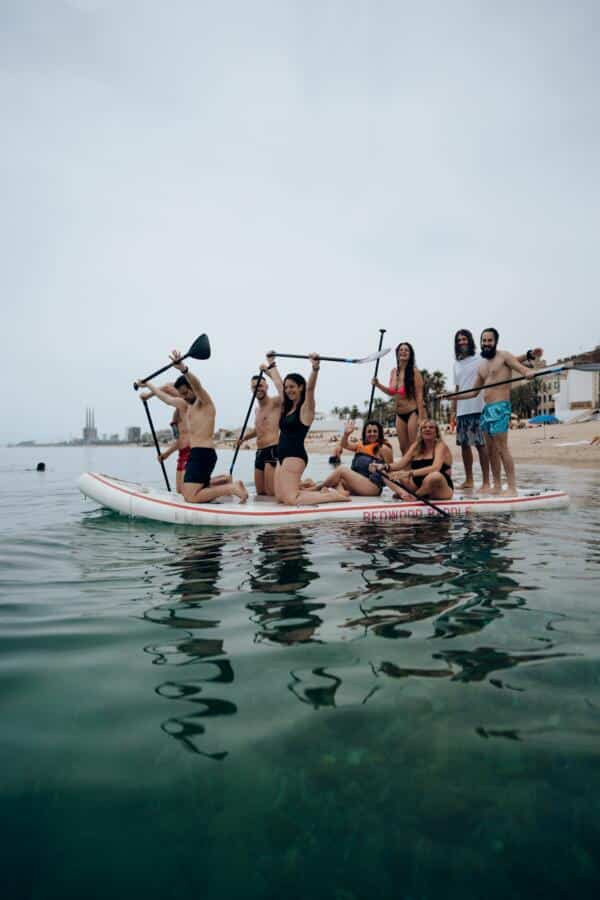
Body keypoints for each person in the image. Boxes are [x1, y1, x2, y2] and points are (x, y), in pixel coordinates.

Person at [138, 351, 248, 503]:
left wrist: (183, 368)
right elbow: (166, 398)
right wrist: (148, 385)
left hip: (204, 453)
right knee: (189, 492)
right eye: (181, 394)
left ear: (192, 389)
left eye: (185, 392)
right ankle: (226, 483)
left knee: (190, 496)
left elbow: (197, 385)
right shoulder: (185, 405)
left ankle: (232, 488)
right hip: (196, 454)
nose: (183, 397)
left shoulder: (205, 403)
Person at [451, 330, 543, 491]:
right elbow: (473, 392)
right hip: (486, 410)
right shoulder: (482, 365)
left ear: (495, 341)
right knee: (491, 450)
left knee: (502, 449)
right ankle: (497, 485)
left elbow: (520, 367)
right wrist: (452, 397)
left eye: (489, 340)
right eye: (484, 340)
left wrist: (528, 371)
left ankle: (512, 487)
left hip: (500, 407)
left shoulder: (504, 356)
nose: (486, 343)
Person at [263, 354, 348, 505]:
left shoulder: (306, 409)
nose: (289, 390)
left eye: (292, 387)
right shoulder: (287, 407)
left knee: (291, 499)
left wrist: (315, 368)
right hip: (282, 457)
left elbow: (310, 389)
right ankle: (315, 489)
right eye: (287, 387)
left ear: (300, 387)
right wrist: (271, 363)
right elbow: (277, 382)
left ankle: (334, 496)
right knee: (280, 498)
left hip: (294, 456)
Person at [371, 419, 454, 501]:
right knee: (385, 472)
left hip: (438, 489)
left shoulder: (440, 445)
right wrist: (383, 466)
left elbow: (435, 468)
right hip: (416, 486)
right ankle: (404, 494)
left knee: (435, 476)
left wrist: (408, 473)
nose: (427, 429)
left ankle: (415, 496)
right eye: (424, 427)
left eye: (431, 427)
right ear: (420, 432)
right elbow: (400, 464)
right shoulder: (416, 446)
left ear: (436, 432)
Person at [237, 363, 283, 496]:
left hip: (272, 449)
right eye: (254, 387)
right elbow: (258, 430)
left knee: (271, 492)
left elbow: (282, 387)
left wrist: (268, 371)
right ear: (251, 389)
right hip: (259, 452)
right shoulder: (257, 410)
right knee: (260, 492)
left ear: (267, 387)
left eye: (261, 385)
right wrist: (243, 438)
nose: (258, 388)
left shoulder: (275, 403)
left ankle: (299, 485)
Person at [371, 341, 425, 454]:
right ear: (397, 353)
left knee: (413, 447)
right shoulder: (394, 371)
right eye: (401, 350)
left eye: (406, 350)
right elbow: (391, 392)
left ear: (410, 354)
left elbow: (419, 396)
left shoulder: (415, 372)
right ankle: (406, 470)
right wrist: (378, 384)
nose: (403, 352)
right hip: (399, 414)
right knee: (403, 448)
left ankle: (416, 471)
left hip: (412, 412)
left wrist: (421, 417)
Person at [139, 378, 192, 494]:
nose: (181, 396)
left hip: (191, 452)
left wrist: (147, 396)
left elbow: (166, 387)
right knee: (179, 491)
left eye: (183, 393)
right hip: (182, 453)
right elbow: (180, 440)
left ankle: (224, 482)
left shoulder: (187, 405)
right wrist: (166, 454)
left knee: (186, 490)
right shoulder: (176, 415)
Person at [314, 420, 394, 497]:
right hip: (358, 484)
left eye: (375, 431)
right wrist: (346, 434)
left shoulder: (384, 448)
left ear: (379, 433)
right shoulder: (360, 445)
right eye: (369, 431)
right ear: (365, 433)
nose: (372, 434)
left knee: (341, 470)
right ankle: (342, 493)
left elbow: (391, 470)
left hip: (373, 487)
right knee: (336, 480)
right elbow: (344, 444)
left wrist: (398, 491)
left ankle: (316, 488)